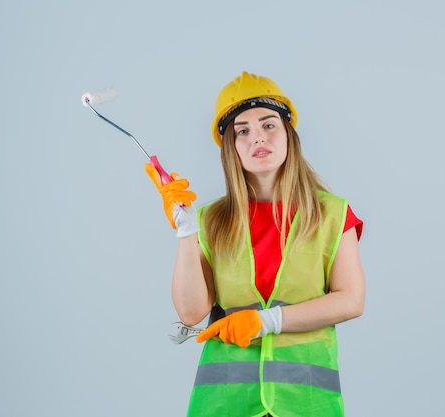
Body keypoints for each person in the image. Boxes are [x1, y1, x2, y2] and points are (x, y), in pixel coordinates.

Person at [145, 71, 366, 417]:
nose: (257, 138)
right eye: (242, 131)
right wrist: (186, 233)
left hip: (305, 404)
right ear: (231, 148)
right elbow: (191, 312)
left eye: (268, 125)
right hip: (223, 405)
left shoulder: (333, 214)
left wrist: (267, 321)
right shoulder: (210, 220)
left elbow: (351, 300)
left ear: (289, 134)